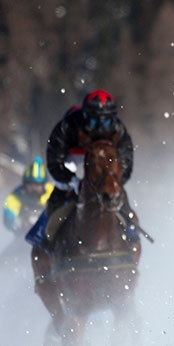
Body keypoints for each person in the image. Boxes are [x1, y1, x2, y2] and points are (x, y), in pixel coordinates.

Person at [26, 89, 138, 249]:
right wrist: (72, 181)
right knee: (56, 199)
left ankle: (131, 233)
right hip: (72, 163)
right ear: (84, 116)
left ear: (112, 120)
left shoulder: (119, 130)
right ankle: (43, 240)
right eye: (93, 122)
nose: (99, 128)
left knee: (120, 197)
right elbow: (54, 160)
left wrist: (113, 181)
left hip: (103, 166)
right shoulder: (67, 126)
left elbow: (126, 163)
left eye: (105, 123)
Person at [3, 157, 54, 236]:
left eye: (37, 185)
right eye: (30, 184)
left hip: (48, 233)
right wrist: (19, 227)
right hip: (23, 234)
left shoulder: (52, 192)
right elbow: (9, 219)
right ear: (25, 184)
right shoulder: (16, 196)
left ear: (44, 185)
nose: (34, 188)